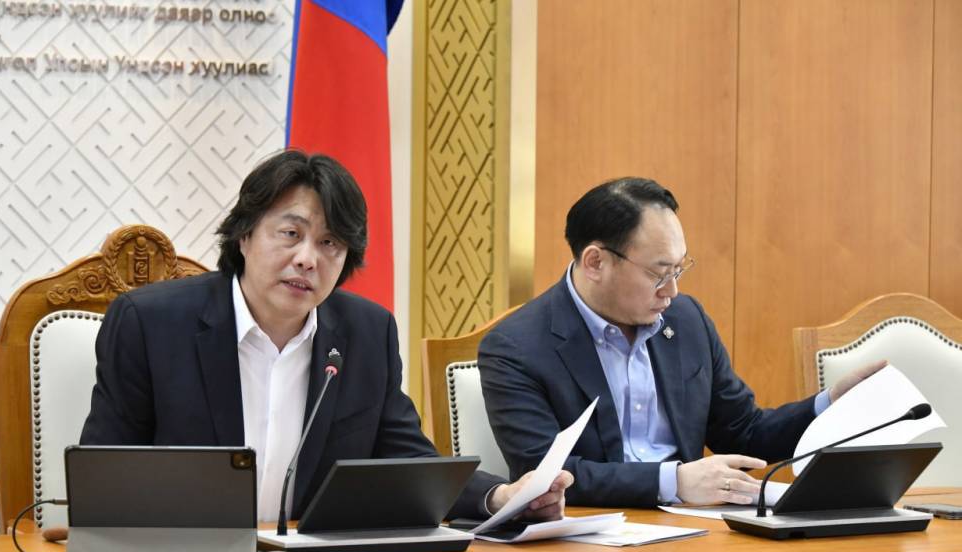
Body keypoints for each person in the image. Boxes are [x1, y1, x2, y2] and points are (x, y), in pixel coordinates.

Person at [80, 149, 572, 522]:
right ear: (244, 235)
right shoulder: (151, 323)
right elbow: (104, 474)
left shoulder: (366, 332)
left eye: (330, 243)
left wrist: (501, 497)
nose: (307, 259)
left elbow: (406, 460)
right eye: (290, 234)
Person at [478, 177, 883, 508]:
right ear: (595, 262)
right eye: (659, 273)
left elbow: (743, 431)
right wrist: (673, 481)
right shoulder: (516, 347)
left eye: (679, 269)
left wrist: (829, 404)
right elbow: (544, 474)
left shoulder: (686, 320)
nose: (671, 290)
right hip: (588, 538)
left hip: (695, 528)